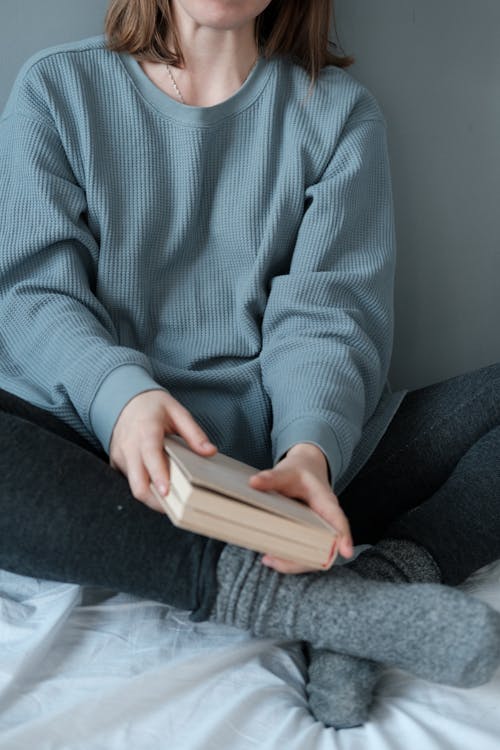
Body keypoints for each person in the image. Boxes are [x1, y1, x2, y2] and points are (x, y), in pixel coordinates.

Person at [1, 0, 499, 730]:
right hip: (107, 458)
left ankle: (386, 578)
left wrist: (311, 452)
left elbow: (329, 317)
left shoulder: (337, 114)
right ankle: (321, 607)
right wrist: (123, 397)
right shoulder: (58, 88)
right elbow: (35, 292)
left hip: (289, 466)